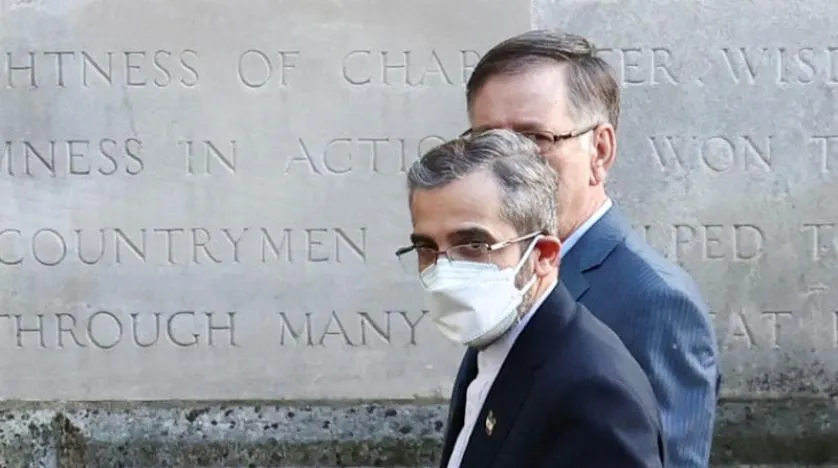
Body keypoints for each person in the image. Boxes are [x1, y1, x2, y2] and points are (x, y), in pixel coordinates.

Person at [462, 29, 719, 467]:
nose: (506, 167)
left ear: (599, 151)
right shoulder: (506, 271)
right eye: (488, 142)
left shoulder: (654, 304)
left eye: (535, 139)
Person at [397, 129, 665, 467]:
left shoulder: (595, 395)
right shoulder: (493, 340)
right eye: (426, 248)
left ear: (544, 255)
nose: (445, 270)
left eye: (474, 245)